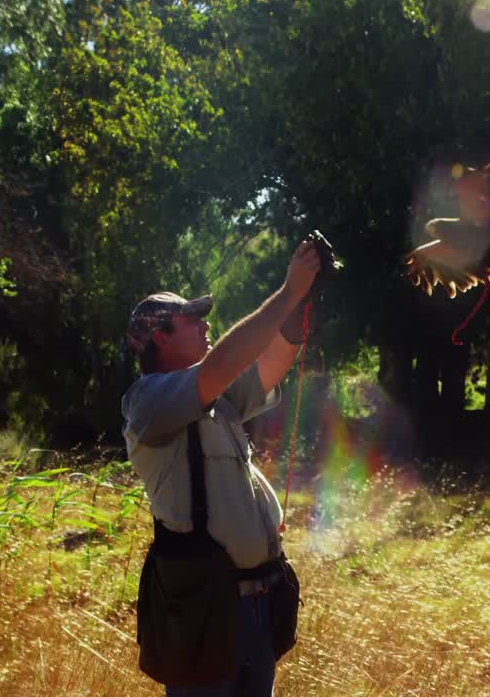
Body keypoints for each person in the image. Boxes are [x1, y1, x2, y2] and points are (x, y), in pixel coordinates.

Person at [121, 239, 321, 697]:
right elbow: (224, 362)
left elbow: (274, 360)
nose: (206, 323)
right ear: (161, 337)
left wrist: (303, 301)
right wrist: (288, 291)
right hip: (203, 611)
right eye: (193, 319)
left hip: (256, 610)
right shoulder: (148, 401)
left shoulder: (218, 399)